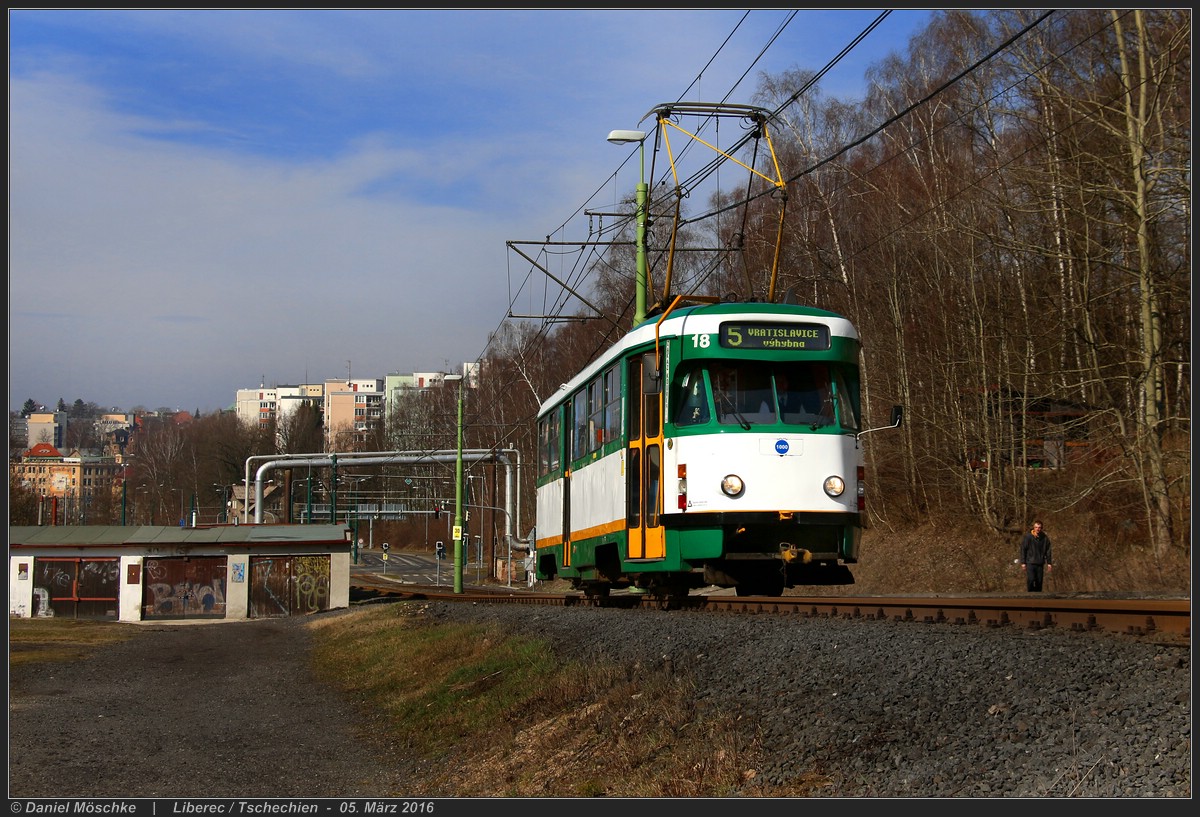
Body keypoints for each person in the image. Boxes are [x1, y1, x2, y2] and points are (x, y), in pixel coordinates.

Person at [1019, 520, 1053, 592]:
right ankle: (1030, 596)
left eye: (1039, 527)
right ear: (1033, 528)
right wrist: (1023, 562)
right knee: (1031, 580)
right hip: (1030, 562)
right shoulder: (1028, 537)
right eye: (1036, 527)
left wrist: (1049, 563)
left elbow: (1048, 551)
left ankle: (1038, 598)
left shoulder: (1045, 538)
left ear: (1041, 528)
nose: (1038, 529)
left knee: (1039, 582)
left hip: (1040, 563)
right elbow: (1023, 549)